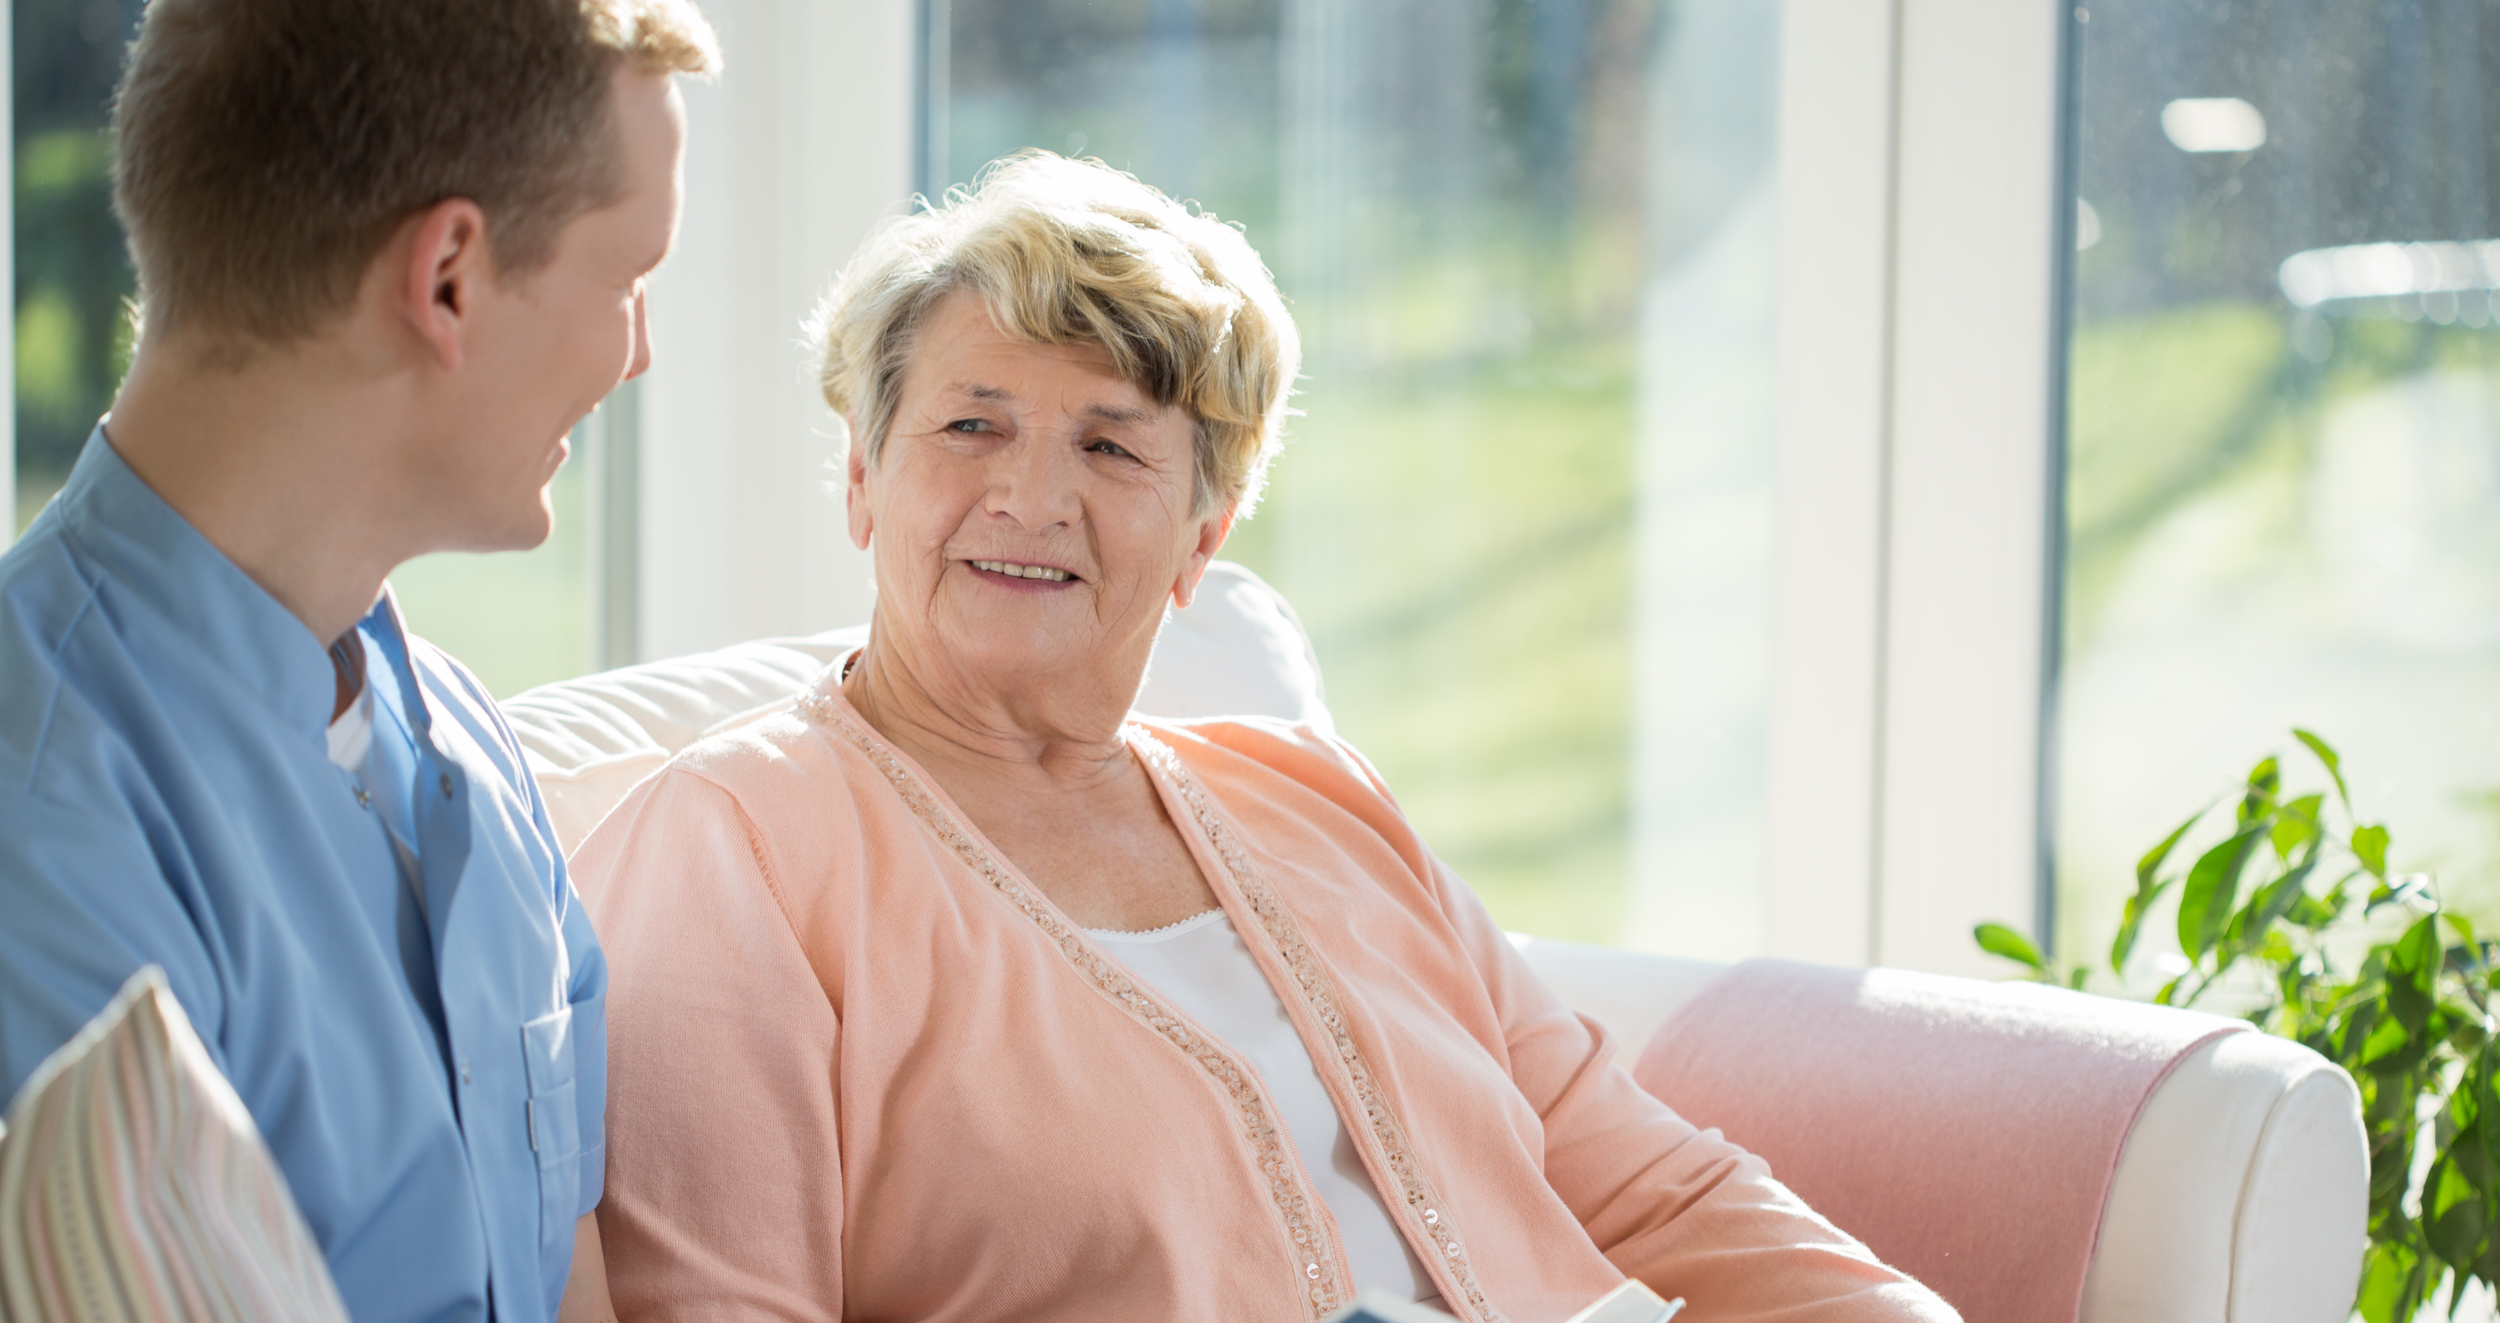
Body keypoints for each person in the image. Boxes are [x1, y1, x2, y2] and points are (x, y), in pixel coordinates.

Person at [574, 151, 1960, 1322]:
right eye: (970, 426)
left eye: (1112, 447)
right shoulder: (733, 845)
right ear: (865, 481)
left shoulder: (1314, 802)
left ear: (1202, 535)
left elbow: (1653, 1188)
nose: (1031, 495)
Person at [0, 2, 716, 1320]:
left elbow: (569, 1283)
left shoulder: (465, 749)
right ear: (448, 274)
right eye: (630, 278)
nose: (642, 350)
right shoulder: (41, 817)